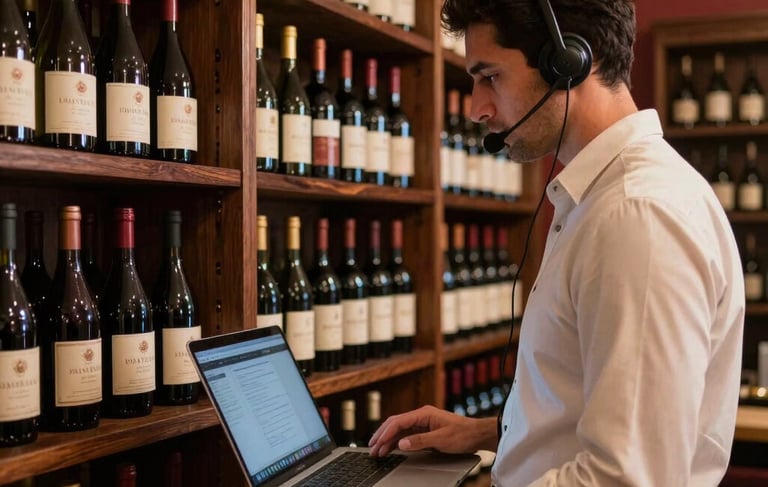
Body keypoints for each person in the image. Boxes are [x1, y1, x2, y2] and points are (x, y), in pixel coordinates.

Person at [368, 0, 746, 485]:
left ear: (568, 62)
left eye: (491, 77)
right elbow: (595, 407)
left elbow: (627, 478)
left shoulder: (637, 215)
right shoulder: (603, 199)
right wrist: (492, 432)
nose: (476, 109)